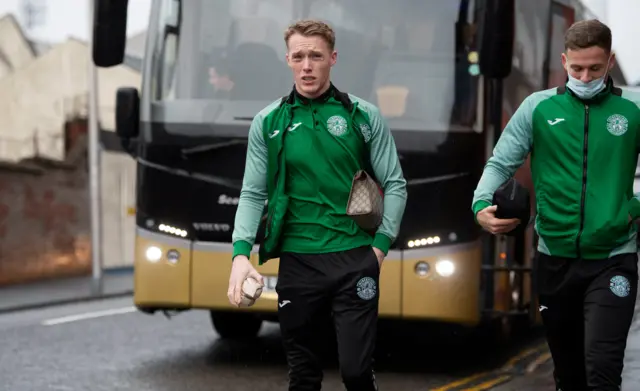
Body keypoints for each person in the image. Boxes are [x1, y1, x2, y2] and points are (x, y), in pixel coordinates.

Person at [227, 19, 407, 391]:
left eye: (315, 56)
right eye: (299, 57)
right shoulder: (268, 122)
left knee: (356, 374)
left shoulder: (363, 116)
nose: (307, 65)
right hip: (299, 262)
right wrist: (240, 255)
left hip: (355, 259)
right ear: (288, 60)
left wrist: (380, 248)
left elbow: (395, 184)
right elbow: (252, 193)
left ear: (332, 59)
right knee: (303, 376)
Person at [471, 19, 640, 391]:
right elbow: (501, 163)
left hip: (613, 257)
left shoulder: (633, 108)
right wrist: (481, 202)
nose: (584, 76)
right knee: (569, 376)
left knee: (602, 370)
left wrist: (632, 207)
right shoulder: (538, 108)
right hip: (554, 259)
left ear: (609, 62)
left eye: (594, 68)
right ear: (564, 61)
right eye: (576, 68)